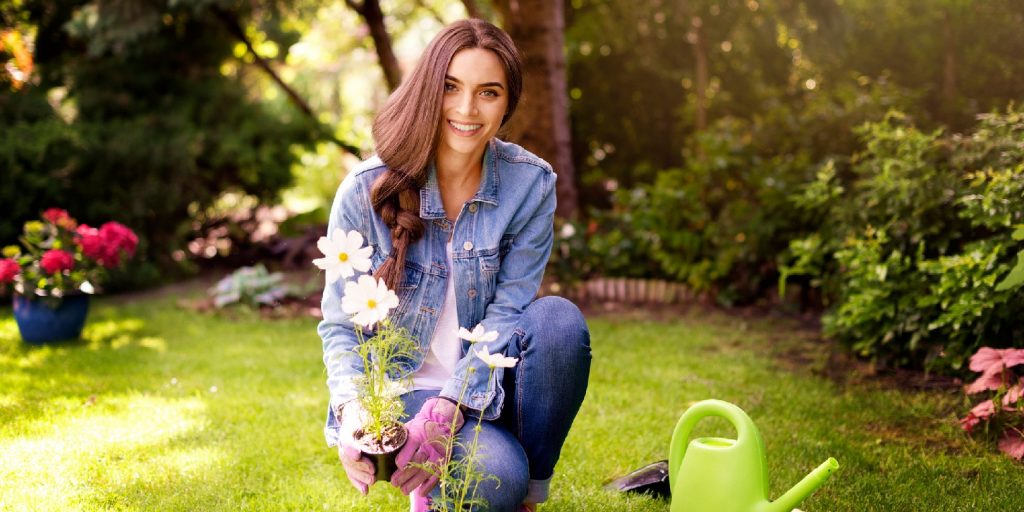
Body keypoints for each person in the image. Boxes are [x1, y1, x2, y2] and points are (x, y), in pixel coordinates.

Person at [318, 18, 591, 512]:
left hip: (487, 386)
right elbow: (340, 326)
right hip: (402, 393)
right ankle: (471, 480)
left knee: (559, 322)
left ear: (507, 103)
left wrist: (452, 406)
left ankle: (530, 493)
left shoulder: (530, 185)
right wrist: (355, 412)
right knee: (494, 481)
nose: (467, 109)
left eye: (488, 92)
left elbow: (510, 310)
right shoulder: (364, 190)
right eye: (451, 88)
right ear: (429, 91)